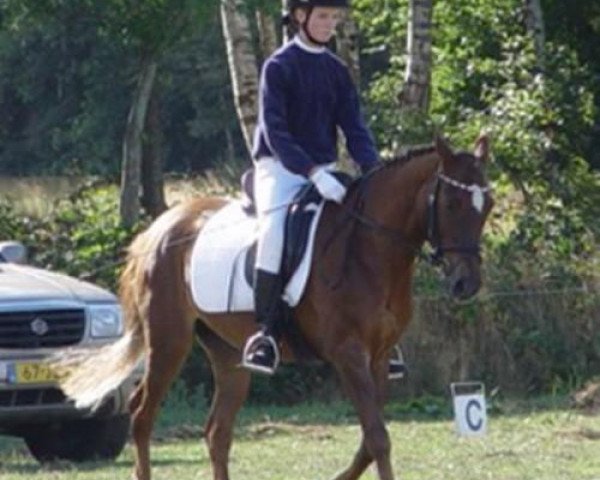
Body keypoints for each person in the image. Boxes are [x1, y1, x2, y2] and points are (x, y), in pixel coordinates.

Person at [241, 0, 406, 379]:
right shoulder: (278, 67)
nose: (330, 24)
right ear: (300, 16)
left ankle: (380, 329)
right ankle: (265, 333)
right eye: (323, 16)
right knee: (273, 233)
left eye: (335, 17)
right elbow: (277, 133)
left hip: (327, 170)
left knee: (362, 229)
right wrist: (312, 172)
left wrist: (374, 170)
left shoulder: (336, 70)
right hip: (280, 169)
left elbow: (355, 127)